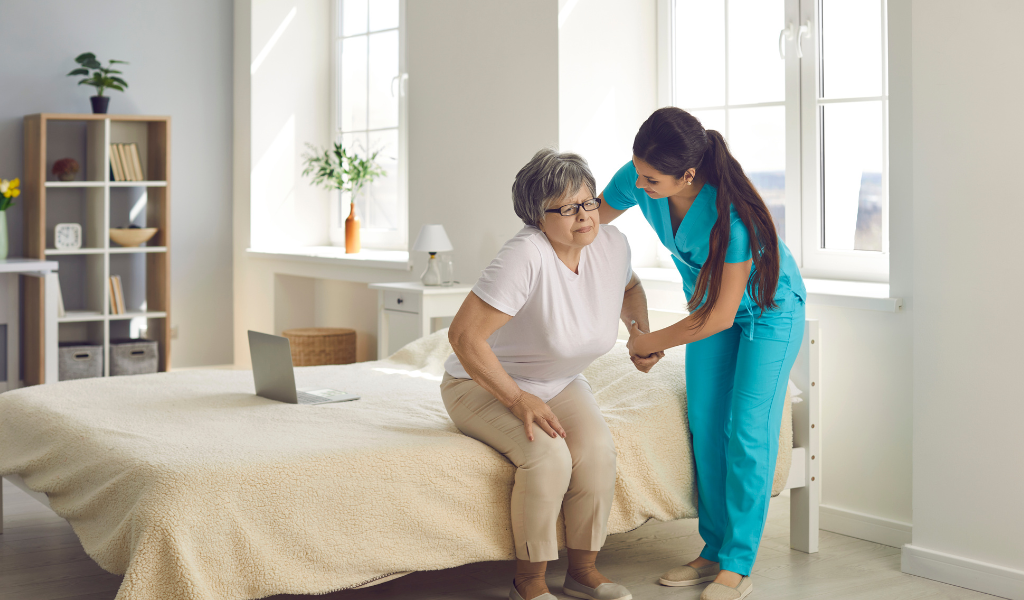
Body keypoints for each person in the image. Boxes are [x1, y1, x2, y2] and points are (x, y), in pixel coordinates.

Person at [598, 107, 807, 600]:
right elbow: (591, 226)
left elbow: (720, 316)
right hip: (710, 310)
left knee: (747, 431)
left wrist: (650, 342)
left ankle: (738, 562)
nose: (639, 184)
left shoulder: (734, 219)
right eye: (637, 171)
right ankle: (712, 550)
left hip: (768, 314)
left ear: (687, 175)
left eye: (651, 179)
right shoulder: (638, 175)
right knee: (707, 427)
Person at [442, 148, 659, 600]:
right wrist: (519, 400)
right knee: (549, 457)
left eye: (588, 202)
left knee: (597, 450)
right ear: (536, 216)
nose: (584, 216)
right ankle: (531, 581)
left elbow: (631, 287)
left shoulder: (612, 245)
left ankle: (583, 571)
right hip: (481, 383)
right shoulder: (525, 255)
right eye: (567, 208)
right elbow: (464, 337)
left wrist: (640, 333)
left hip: (557, 382)